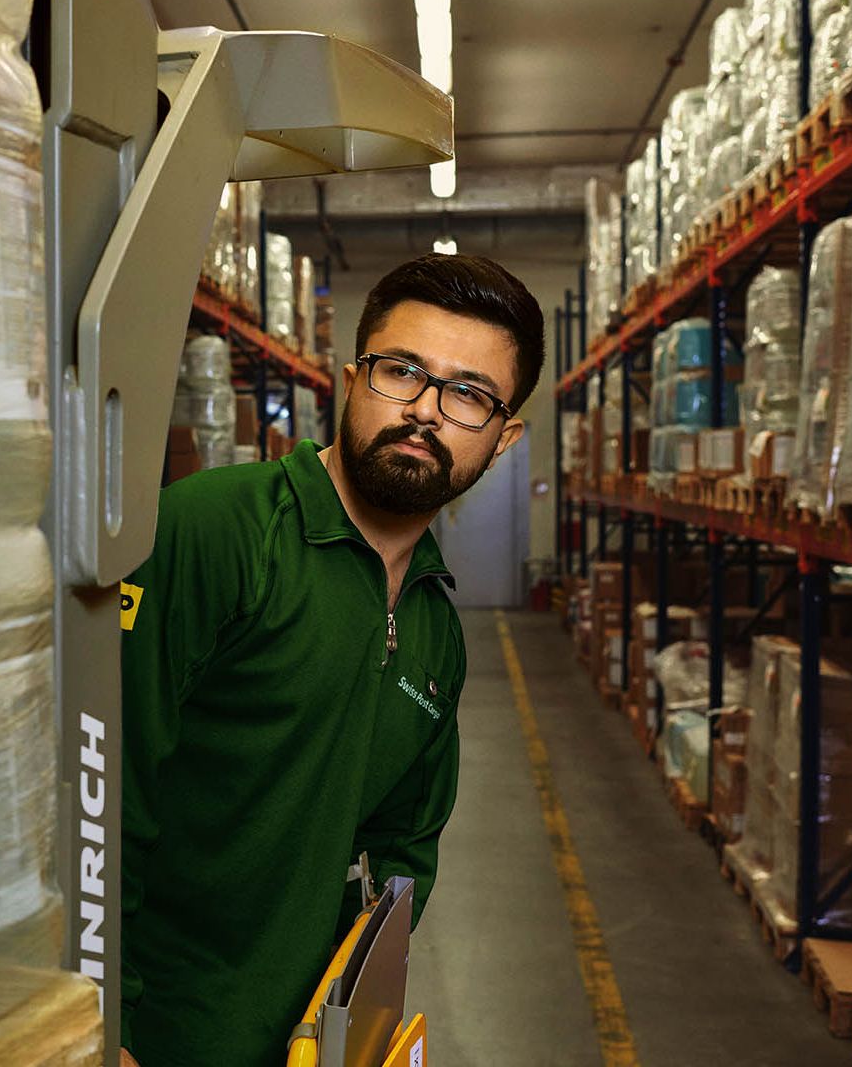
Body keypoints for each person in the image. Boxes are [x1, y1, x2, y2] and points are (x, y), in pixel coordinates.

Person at [117, 253, 542, 1067]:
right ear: (351, 379)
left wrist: (353, 1013)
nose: (424, 410)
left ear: (503, 436)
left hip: (305, 1044)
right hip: (161, 1033)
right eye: (401, 372)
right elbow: (100, 795)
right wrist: (110, 1029)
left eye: (468, 395)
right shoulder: (216, 533)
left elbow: (402, 851)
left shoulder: (433, 630)